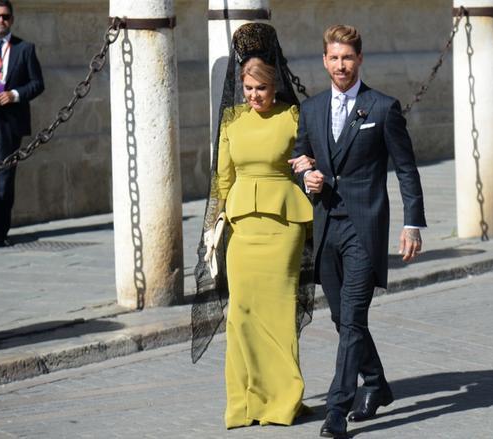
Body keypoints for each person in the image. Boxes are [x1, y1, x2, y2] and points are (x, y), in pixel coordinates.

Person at [290, 24, 427, 438]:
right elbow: (301, 156)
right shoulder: (311, 110)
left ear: (360, 59)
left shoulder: (382, 108)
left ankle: (336, 408)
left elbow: (405, 168)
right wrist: (307, 176)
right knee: (341, 318)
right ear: (325, 60)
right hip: (326, 225)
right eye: (334, 58)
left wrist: (412, 223)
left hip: (365, 230)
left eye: (347, 58)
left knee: (351, 319)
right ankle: (378, 384)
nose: (340, 65)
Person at [191, 22, 314, 429]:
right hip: (241, 228)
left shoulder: (294, 115)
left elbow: (308, 162)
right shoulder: (230, 120)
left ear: (274, 84)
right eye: (247, 88)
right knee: (241, 313)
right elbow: (222, 180)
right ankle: (244, 404)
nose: (253, 96)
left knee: (278, 311)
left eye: (260, 88)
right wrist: (212, 228)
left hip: (284, 228)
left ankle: (282, 402)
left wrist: (311, 169)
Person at [0, 0, 44, 246]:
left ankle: (0, 232)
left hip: (9, 122)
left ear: (11, 19)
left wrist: (13, 95)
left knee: (5, 179)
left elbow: (37, 84)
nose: (1, 21)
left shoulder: (25, 48)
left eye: (5, 16)